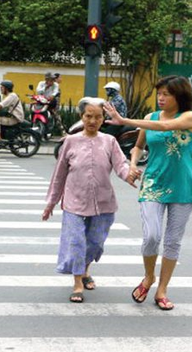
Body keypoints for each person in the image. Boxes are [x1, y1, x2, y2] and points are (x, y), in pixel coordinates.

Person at [104, 75, 192, 311]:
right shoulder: (150, 118)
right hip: (153, 184)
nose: (161, 98)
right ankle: (149, 276)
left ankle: (162, 289)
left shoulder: (189, 117)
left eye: (166, 94)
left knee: (172, 241)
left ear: (179, 96)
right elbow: (138, 146)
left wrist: (123, 119)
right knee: (151, 236)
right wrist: (133, 163)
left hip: (183, 186)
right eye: (159, 93)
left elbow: (166, 127)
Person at [43, 97, 141, 303]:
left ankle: (85, 270)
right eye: (88, 116)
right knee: (77, 242)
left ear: (103, 119)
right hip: (74, 201)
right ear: (82, 117)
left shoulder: (109, 141)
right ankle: (78, 282)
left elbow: (120, 165)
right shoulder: (70, 141)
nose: (93, 121)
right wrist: (51, 203)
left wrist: (129, 174)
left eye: (97, 117)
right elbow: (59, 174)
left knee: (95, 243)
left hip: (103, 202)